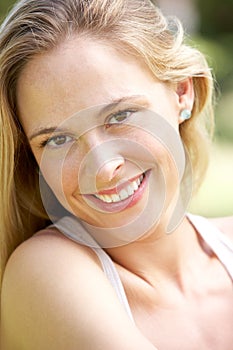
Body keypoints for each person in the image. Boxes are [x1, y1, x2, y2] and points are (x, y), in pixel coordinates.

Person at [0, 0, 233, 349]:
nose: (105, 169)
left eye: (121, 116)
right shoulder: (46, 273)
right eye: (58, 140)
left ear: (182, 92)